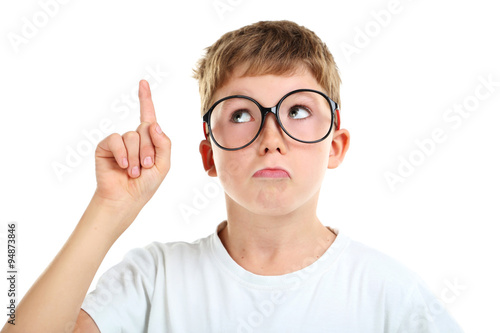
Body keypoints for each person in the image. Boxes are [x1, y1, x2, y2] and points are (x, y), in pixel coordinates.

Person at [1, 20, 463, 333]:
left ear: (335, 146)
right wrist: (109, 209)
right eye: (241, 115)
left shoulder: (388, 292)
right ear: (208, 156)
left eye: (297, 110)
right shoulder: (154, 279)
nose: (271, 137)